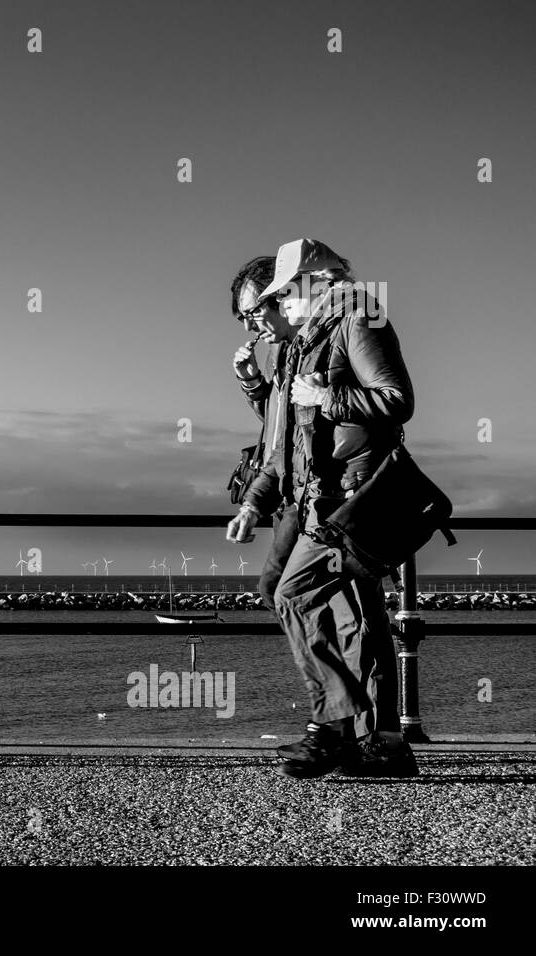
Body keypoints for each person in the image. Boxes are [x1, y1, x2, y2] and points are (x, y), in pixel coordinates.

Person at [226, 238, 416, 778]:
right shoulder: (303, 341)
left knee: (339, 610)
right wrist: (256, 499)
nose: (275, 307)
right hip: (311, 497)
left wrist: (323, 398)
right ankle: (359, 734)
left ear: (313, 283)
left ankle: (355, 733)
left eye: (277, 296)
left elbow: (396, 399)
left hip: (351, 498)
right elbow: (281, 439)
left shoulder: (357, 318)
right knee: (307, 600)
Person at [229, 256, 302, 614]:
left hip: (307, 490)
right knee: (286, 590)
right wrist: (252, 380)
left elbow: (396, 400)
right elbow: (275, 424)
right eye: (243, 318)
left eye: (252, 312)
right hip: (282, 485)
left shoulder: (309, 344)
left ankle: (342, 670)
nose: (248, 327)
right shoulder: (278, 351)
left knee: (277, 588)